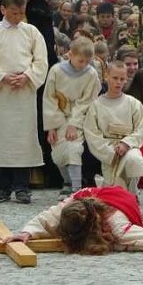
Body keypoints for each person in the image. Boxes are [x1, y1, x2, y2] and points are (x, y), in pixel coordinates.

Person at [0, 0, 49, 204]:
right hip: (2, 94)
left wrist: (27, 76)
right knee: (2, 139)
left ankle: (22, 186)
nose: (18, 17)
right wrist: (2, 77)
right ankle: (3, 186)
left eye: (21, 13)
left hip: (25, 94)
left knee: (24, 139)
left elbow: (41, 61)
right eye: (14, 13)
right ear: (3, 9)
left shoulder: (32, 32)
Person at [4, 185, 143, 254]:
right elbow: (46, 217)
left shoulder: (116, 225)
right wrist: (26, 233)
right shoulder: (74, 202)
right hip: (111, 200)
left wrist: (114, 244)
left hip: (120, 207)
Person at [43, 38, 101, 200]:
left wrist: (74, 124)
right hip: (58, 115)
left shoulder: (90, 74)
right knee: (58, 152)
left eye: (87, 61)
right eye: (80, 60)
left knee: (74, 148)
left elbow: (86, 101)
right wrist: (52, 126)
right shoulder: (56, 71)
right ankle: (67, 182)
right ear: (71, 55)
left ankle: (76, 187)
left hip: (79, 117)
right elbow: (50, 98)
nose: (83, 64)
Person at [83, 61, 143, 195]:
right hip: (109, 152)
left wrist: (126, 143)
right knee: (115, 191)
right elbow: (92, 135)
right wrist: (110, 152)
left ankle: (133, 194)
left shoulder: (134, 104)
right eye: (115, 78)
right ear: (106, 76)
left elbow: (140, 129)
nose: (118, 82)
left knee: (134, 160)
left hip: (129, 148)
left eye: (122, 79)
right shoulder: (96, 106)